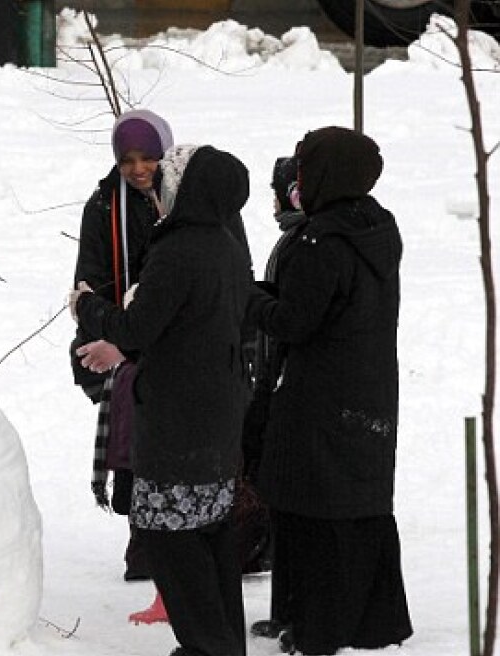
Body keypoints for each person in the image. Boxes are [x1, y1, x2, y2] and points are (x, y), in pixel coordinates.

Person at [70, 144, 253, 656]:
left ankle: (204, 646)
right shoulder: (226, 243)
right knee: (211, 533)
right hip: (216, 419)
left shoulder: (179, 248)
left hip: (178, 422)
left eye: (169, 176)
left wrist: (89, 307)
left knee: (172, 539)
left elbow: (137, 327)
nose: (158, 184)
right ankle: (222, 644)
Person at [247, 127, 412, 655]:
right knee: (361, 508)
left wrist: (248, 300)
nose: (298, 179)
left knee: (311, 511)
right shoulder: (377, 227)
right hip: (369, 391)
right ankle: (371, 621)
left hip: (319, 396)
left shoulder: (321, 240)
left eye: (305, 167)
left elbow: (295, 321)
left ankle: (316, 627)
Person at [72, 109, 172, 588]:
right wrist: (114, 338)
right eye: (127, 159)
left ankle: (173, 545)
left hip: (172, 343)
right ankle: (144, 544)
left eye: (148, 157)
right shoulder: (103, 207)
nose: (138, 169)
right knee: (136, 445)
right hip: (116, 341)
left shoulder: (185, 200)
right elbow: (86, 284)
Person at [243, 155, 307, 641]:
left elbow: (289, 316)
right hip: (272, 381)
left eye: (277, 192)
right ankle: (285, 605)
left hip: (288, 388)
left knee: (292, 505)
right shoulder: (292, 240)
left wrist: (251, 298)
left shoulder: (306, 242)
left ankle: (297, 609)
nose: (272, 203)